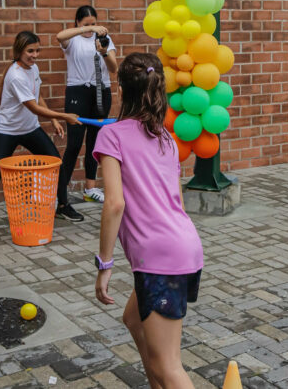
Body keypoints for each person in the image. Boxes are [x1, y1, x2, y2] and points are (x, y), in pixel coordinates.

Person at [92, 53, 203, 389]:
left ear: (123, 89)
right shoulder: (166, 138)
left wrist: (105, 264)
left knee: (169, 365)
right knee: (133, 320)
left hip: (160, 260)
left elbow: (113, 204)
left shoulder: (112, 135)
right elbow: (178, 201)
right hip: (183, 246)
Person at [0, 31, 83, 237]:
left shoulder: (33, 69)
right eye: (30, 51)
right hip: (8, 130)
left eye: (37, 50)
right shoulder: (15, 75)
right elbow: (32, 107)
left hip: (30, 128)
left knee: (55, 163)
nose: (35, 55)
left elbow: (37, 94)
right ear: (19, 51)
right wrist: (64, 115)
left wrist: (54, 119)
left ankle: (63, 206)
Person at [56, 6, 117, 203]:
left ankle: (90, 188)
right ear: (78, 23)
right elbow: (59, 36)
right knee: (74, 143)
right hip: (77, 91)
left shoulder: (103, 40)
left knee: (95, 141)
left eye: (94, 24)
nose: (91, 28)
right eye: (86, 24)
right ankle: (61, 191)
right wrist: (85, 30)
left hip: (101, 91)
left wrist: (105, 52)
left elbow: (114, 68)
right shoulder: (72, 40)